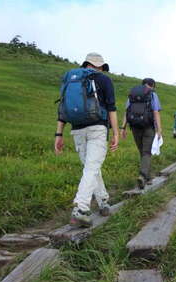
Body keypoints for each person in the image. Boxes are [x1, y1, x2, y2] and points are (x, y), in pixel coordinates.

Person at [54, 52, 119, 227]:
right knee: (91, 168)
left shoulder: (71, 79)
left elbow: (62, 109)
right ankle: (80, 209)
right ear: (99, 66)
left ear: (85, 65)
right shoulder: (104, 80)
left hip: (77, 130)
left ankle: (103, 200)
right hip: (97, 128)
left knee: (91, 167)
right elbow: (111, 109)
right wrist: (116, 133)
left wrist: (58, 135)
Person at [120, 78, 162, 189]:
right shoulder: (152, 95)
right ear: (152, 85)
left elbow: (127, 111)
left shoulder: (132, 94)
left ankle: (147, 176)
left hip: (134, 126)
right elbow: (156, 112)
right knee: (147, 152)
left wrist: (123, 128)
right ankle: (143, 176)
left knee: (142, 151)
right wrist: (159, 130)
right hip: (148, 127)